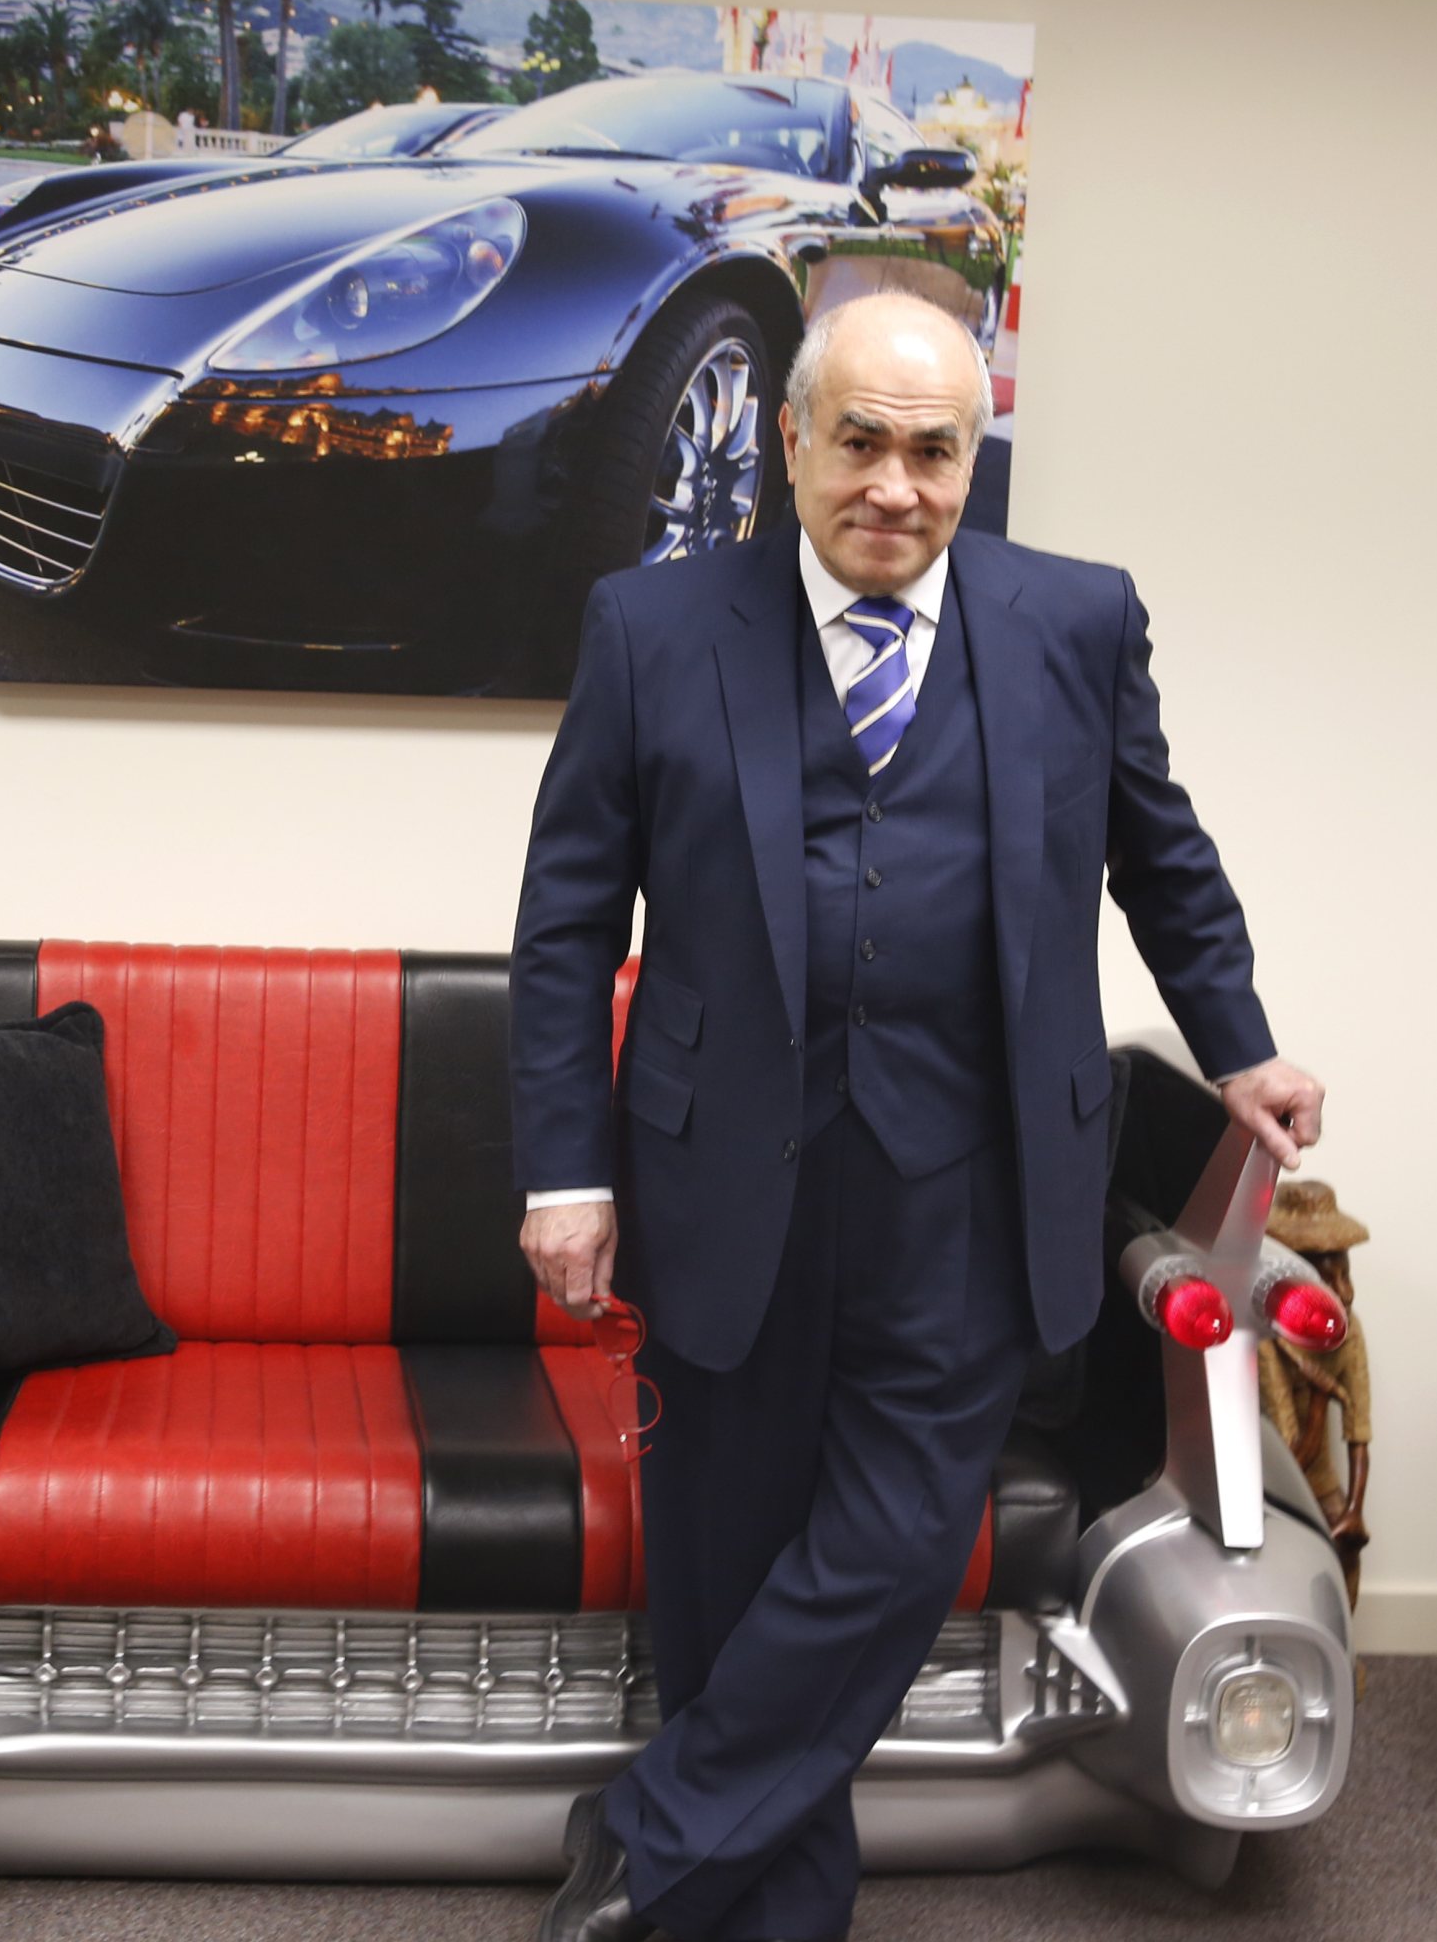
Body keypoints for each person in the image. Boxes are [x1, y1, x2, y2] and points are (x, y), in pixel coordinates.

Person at [508, 291, 1324, 1942]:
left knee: (890, 1541)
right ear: (790, 439)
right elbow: (567, 923)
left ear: (972, 458)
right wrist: (564, 1170)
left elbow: (1159, 854)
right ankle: (763, 1909)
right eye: (860, 442)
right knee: (730, 1556)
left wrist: (1236, 1047)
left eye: (933, 451)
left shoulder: (1074, 620)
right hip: (723, 1169)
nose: (893, 485)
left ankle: (652, 1830)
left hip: (974, 1171)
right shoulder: (650, 627)